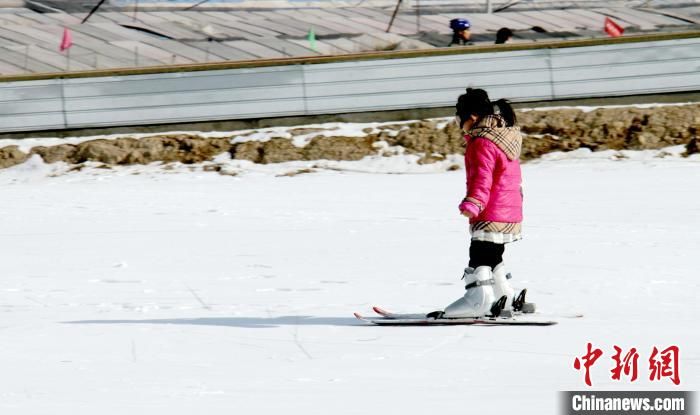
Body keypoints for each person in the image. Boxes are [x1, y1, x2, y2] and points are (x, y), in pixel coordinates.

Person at [441, 88, 524, 318]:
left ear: (473, 117)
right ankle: (503, 297)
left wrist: (473, 203)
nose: (460, 125)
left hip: (490, 210)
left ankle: (478, 300)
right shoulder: (504, 136)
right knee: (493, 255)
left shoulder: (481, 142)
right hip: (508, 211)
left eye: (460, 118)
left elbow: (482, 177)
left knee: (478, 254)